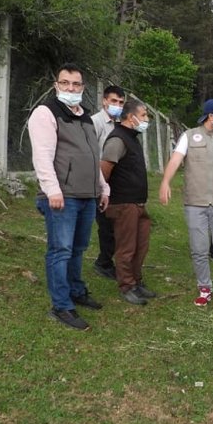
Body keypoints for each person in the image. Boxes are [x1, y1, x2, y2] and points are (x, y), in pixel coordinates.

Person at [28, 63, 110, 331]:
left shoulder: (86, 116)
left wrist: (103, 188)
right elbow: (42, 155)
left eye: (76, 84)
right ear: (56, 85)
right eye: (65, 83)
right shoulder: (46, 113)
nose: (70, 89)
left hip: (87, 195)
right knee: (60, 251)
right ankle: (61, 305)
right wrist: (52, 189)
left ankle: (77, 291)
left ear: (83, 88)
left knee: (78, 248)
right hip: (62, 196)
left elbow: (93, 157)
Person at [159, 99, 213, 312]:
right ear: (210, 116)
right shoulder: (189, 136)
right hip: (195, 203)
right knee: (199, 249)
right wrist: (165, 182)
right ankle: (204, 288)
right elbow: (176, 160)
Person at [100, 99, 156, 305]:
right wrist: (103, 195)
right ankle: (127, 286)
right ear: (130, 117)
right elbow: (104, 171)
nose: (146, 120)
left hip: (138, 203)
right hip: (123, 204)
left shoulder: (133, 138)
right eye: (143, 116)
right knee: (126, 247)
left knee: (141, 245)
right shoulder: (117, 140)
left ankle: (136, 281)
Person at [91, 85, 126, 280]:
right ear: (104, 101)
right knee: (106, 226)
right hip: (100, 181)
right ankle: (103, 262)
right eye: (114, 101)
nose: (117, 105)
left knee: (116, 225)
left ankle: (109, 260)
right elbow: (92, 153)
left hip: (116, 184)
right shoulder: (95, 123)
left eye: (121, 102)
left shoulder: (119, 124)